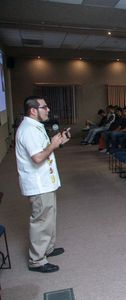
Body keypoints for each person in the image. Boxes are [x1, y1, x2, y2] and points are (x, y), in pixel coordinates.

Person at [15, 96, 71, 273]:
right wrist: (52, 145)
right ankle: (37, 260)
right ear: (33, 110)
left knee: (49, 217)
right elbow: (38, 157)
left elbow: (43, 149)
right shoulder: (28, 130)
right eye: (44, 107)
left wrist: (58, 141)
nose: (48, 110)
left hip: (46, 182)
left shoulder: (35, 127)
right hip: (38, 184)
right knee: (41, 221)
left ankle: (47, 248)